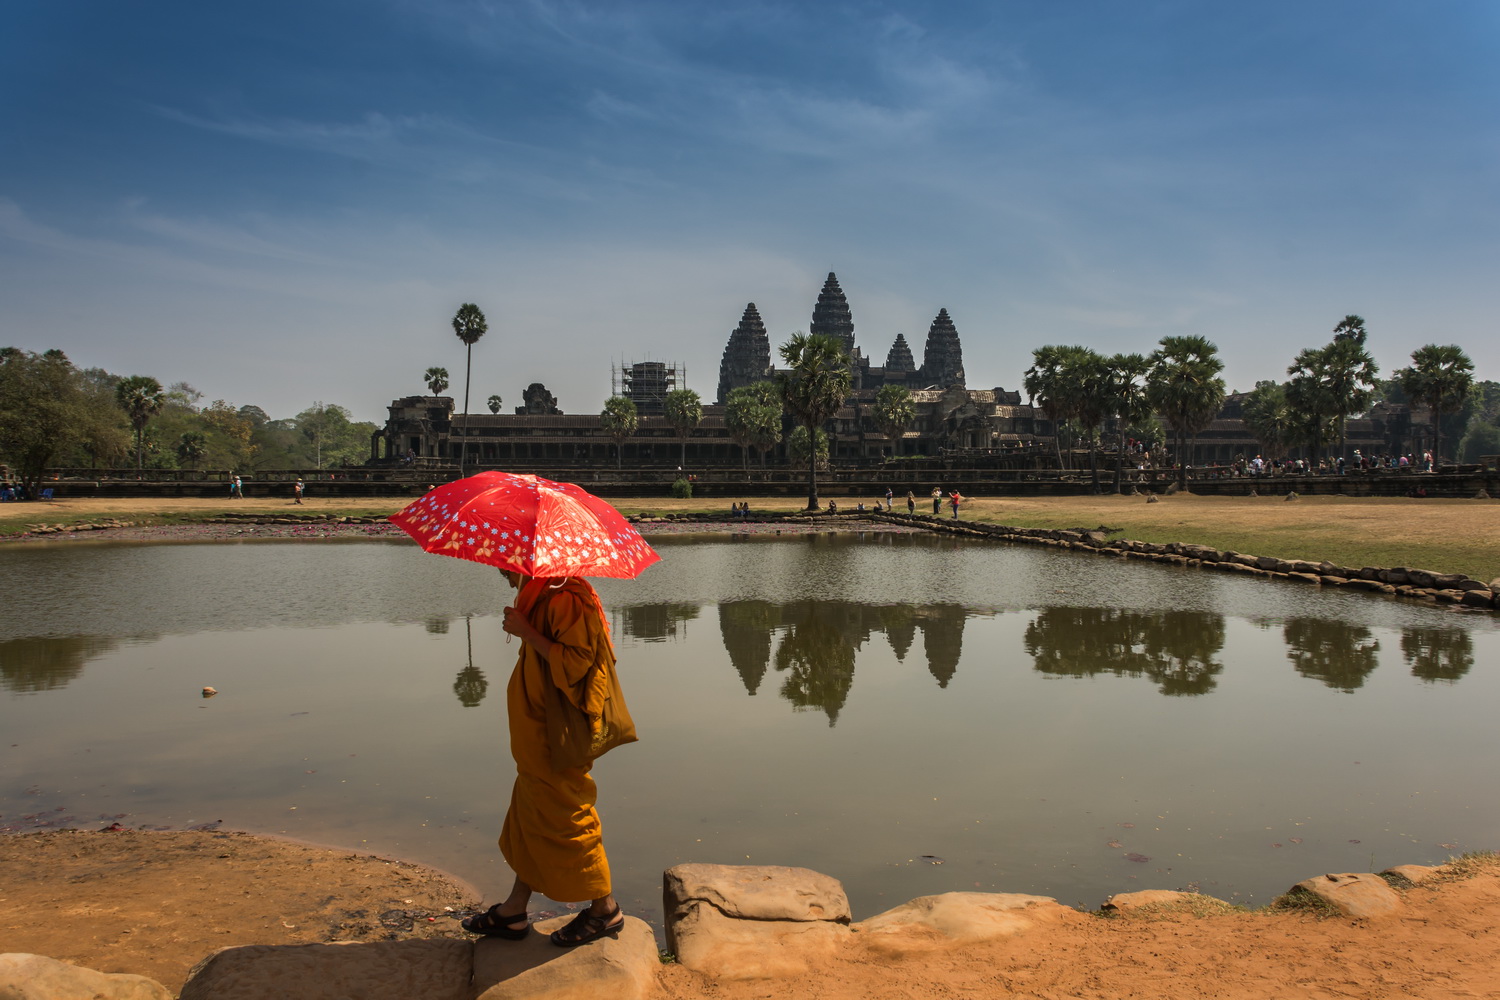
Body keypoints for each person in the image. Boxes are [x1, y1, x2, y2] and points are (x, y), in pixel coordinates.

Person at [461, 571, 626, 947]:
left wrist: (526, 632)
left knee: (567, 815)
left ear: (529, 561)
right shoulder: (539, 595)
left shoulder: (563, 598)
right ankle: (513, 911)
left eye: (507, 563)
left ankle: (604, 908)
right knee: (533, 813)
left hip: (557, 735)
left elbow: (579, 662)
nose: (500, 569)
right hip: (537, 734)